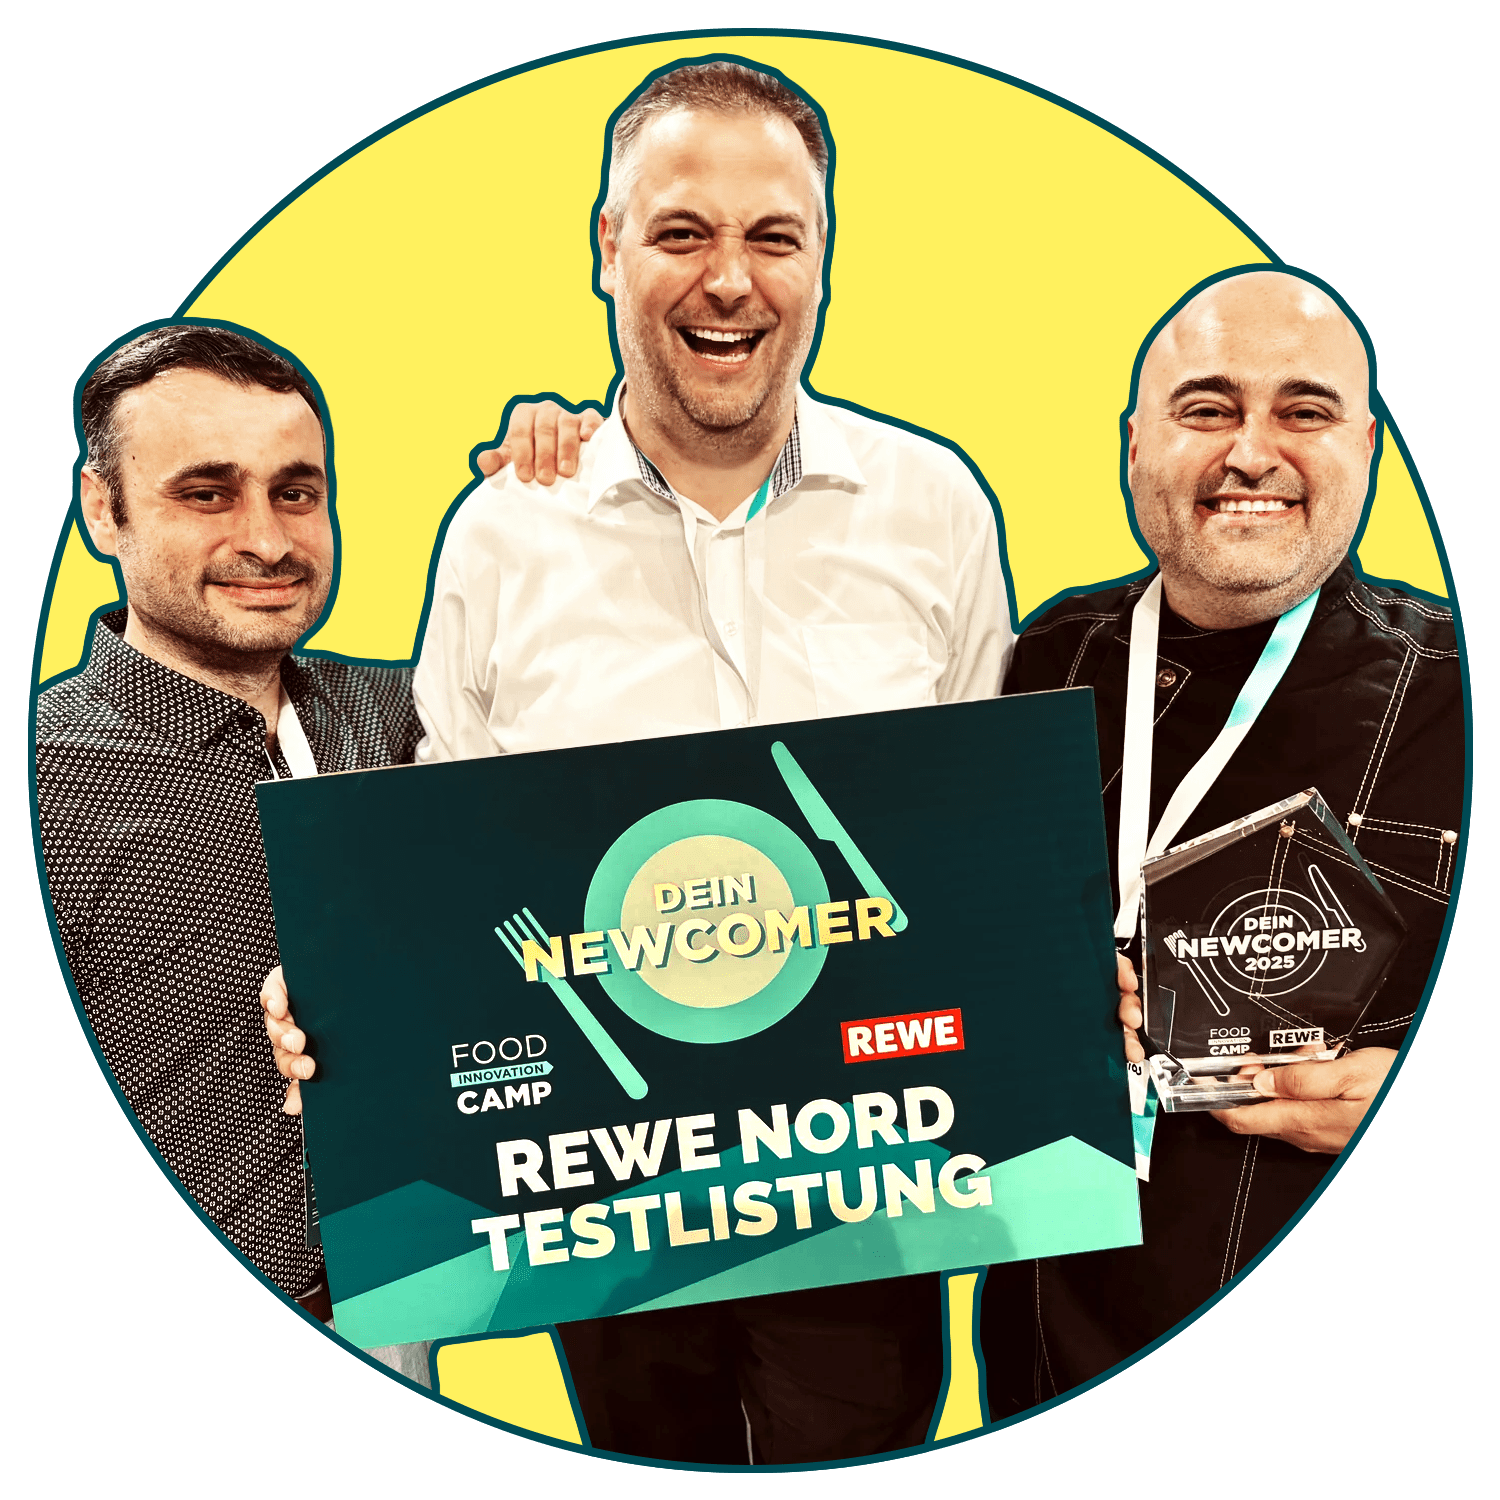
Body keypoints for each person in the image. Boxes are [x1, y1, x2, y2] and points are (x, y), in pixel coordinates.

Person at [269, 59, 1011, 1464]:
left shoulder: (934, 509)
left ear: (824, 258)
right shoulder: (504, 533)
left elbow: (981, 835)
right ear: (607, 247)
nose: (730, 279)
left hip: (875, 1182)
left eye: (774, 236)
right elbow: (452, 850)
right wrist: (351, 1002)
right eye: (681, 232)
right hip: (601, 1198)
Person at [979, 268, 1463, 1413]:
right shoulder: (1040, 662)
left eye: (1304, 410)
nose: (1251, 453)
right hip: (1051, 1357)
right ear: (1134, 445)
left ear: (1367, 448)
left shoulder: (1462, 694)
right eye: (1207, 408)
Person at [35, 324, 422, 1332]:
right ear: (103, 510)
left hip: (413, 1292)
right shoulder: (40, 783)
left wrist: (572, 476)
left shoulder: (407, 715)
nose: (269, 540)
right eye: (208, 494)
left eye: (296, 492)